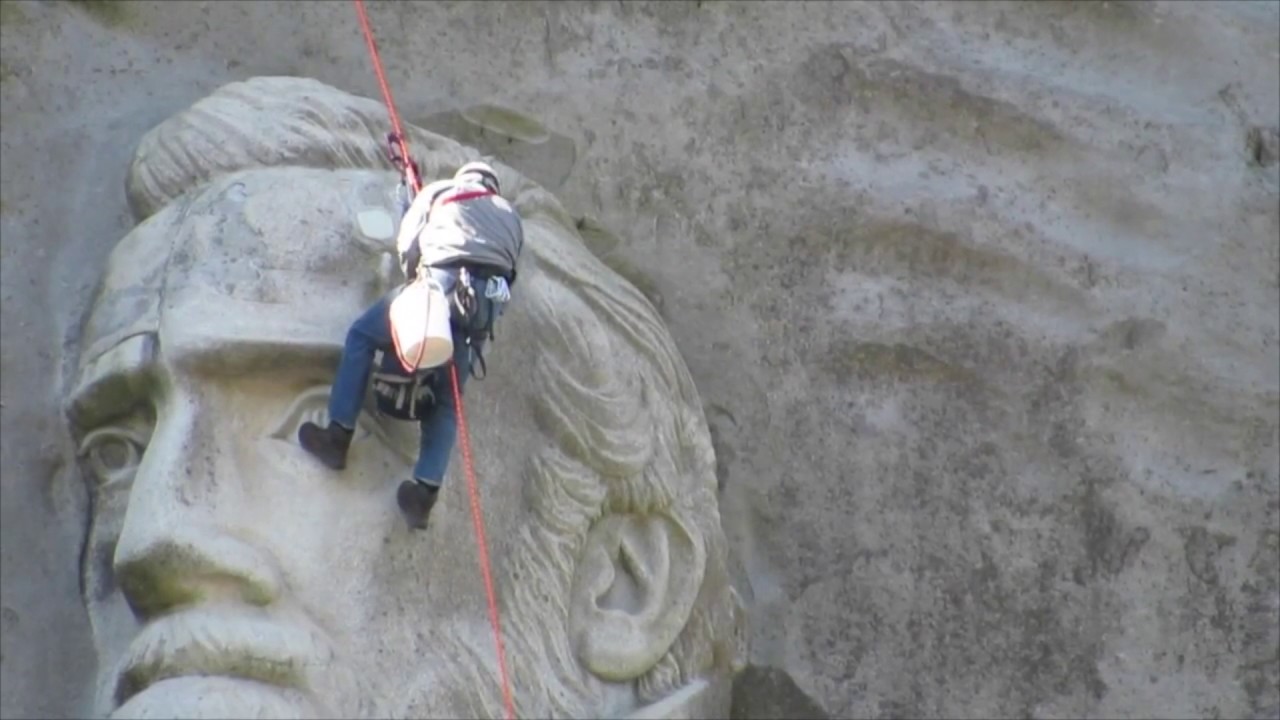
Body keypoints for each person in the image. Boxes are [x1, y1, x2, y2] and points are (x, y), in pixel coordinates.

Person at [297, 160, 524, 529]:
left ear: (465, 177)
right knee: (448, 401)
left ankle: (337, 436)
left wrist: (412, 276)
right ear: (493, 187)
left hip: (438, 288)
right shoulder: (512, 217)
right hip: (477, 316)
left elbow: (408, 243)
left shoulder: (442, 191)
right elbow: (511, 274)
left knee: (361, 336)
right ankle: (424, 493)